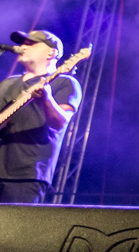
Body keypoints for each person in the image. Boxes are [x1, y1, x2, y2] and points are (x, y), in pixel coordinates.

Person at [0, 30, 81, 204]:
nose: (23, 47)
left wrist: (46, 98)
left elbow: (60, 123)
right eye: (23, 43)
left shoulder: (64, 82)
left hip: (26, 174)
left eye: (31, 43)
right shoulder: (7, 83)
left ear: (51, 52)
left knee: (14, 222)